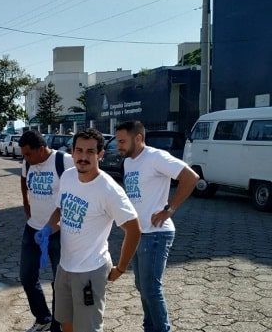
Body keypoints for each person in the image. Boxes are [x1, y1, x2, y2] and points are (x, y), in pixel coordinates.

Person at [42, 128, 141, 332]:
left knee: (87, 328)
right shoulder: (68, 177)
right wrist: (48, 228)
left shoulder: (109, 190)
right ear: (72, 152)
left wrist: (121, 268)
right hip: (65, 267)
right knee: (65, 323)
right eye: (79, 151)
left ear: (100, 155)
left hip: (90, 270)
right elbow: (60, 208)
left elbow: (133, 229)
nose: (83, 157)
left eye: (90, 152)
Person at [115, 121, 198, 332]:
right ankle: (150, 326)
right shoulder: (129, 163)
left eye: (122, 141)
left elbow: (191, 177)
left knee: (151, 289)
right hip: (138, 233)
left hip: (156, 234)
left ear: (139, 139)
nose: (119, 146)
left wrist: (170, 209)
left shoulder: (156, 157)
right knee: (142, 286)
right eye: (118, 142)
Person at [18, 130, 74, 332]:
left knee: (59, 282)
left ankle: (58, 325)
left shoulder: (64, 161)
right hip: (32, 230)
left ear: (41, 149)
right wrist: (26, 205)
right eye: (23, 155)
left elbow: (79, 187)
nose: (25, 159)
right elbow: (24, 182)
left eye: (28, 154)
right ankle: (43, 317)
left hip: (59, 233)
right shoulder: (28, 163)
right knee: (27, 277)